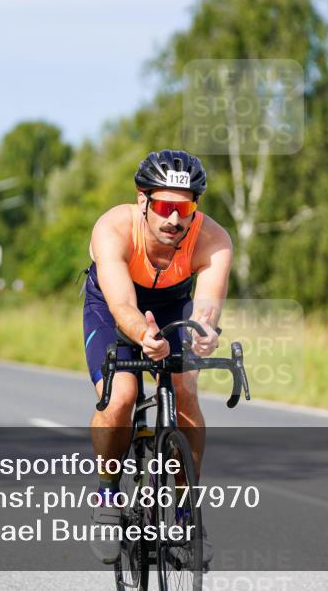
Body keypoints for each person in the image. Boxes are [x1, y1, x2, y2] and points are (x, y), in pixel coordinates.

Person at [83, 149, 233, 565]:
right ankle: (108, 492)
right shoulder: (112, 228)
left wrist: (205, 333)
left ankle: (186, 510)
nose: (174, 220)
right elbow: (122, 307)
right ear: (142, 200)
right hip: (113, 308)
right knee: (121, 397)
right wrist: (143, 336)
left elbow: (206, 307)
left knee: (184, 390)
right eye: (165, 207)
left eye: (184, 209)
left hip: (172, 306)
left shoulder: (214, 240)